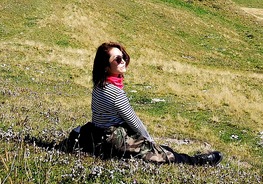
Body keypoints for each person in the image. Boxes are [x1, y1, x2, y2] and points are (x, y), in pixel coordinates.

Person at [76, 42, 222, 166]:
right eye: (118, 59)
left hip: (98, 135)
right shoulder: (115, 92)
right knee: (163, 156)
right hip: (115, 140)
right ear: (106, 66)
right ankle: (199, 161)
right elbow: (133, 121)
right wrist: (149, 141)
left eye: (124, 57)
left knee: (162, 149)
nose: (123, 61)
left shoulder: (99, 86)